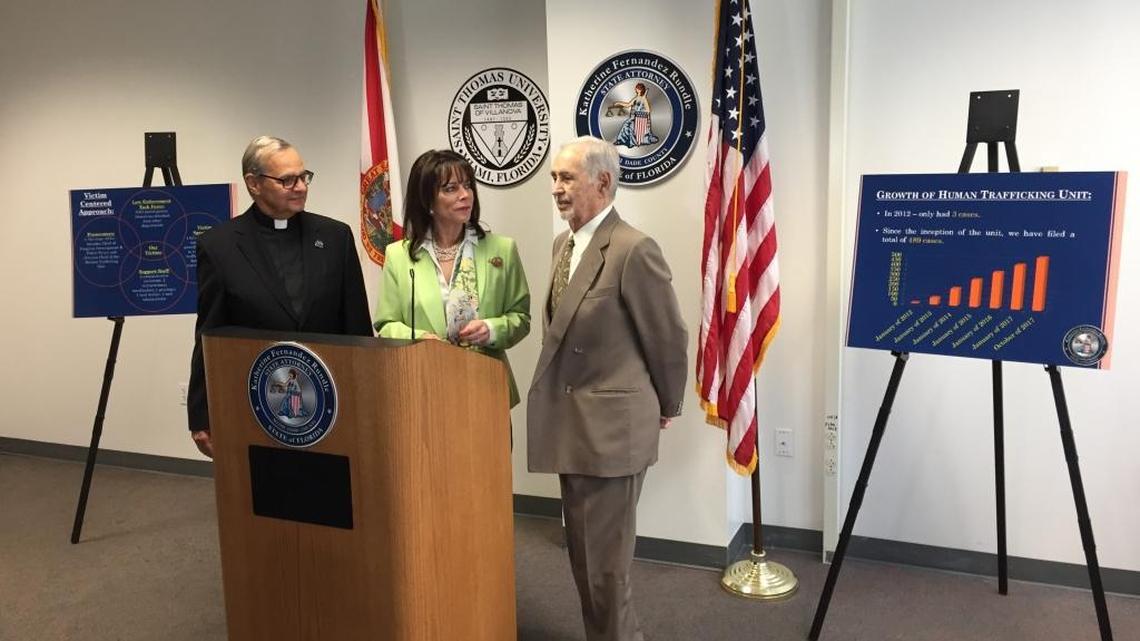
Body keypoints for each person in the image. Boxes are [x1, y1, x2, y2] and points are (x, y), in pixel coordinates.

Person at [528, 136, 688, 641]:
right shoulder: (563, 244)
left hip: (613, 434)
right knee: (583, 559)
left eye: (567, 178)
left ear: (603, 182)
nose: (556, 188)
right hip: (572, 428)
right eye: (553, 177)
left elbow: (668, 338)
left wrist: (667, 402)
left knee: (605, 570)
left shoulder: (634, 249)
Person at [187, 136, 373, 457]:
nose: (300, 187)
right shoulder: (219, 247)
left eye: (303, 177)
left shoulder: (335, 237)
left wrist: (369, 397)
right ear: (253, 184)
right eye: (287, 180)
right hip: (255, 405)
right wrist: (200, 413)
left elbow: (356, 327)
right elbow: (209, 334)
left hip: (333, 405)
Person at [373, 149, 530, 408]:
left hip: (485, 389)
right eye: (450, 188)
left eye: (467, 185)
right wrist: (418, 338)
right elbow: (387, 324)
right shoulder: (398, 256)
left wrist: (491, 329)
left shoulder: (502, 250)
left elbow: (521, 319)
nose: (464, 195)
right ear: (427, 200)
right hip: (425, 390)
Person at [611, 83, 658, 148]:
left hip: (639, 118)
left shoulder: (644, 99)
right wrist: (619, 103)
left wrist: (640, 112)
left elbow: (648, 110)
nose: (636, 89)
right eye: (636, 88)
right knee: (626, 125)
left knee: (631, 127)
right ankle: (620, 140)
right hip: (632, 117)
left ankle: (631, 142)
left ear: (641, 90)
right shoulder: (636, 98)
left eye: (637, 88)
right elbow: (628, 105)